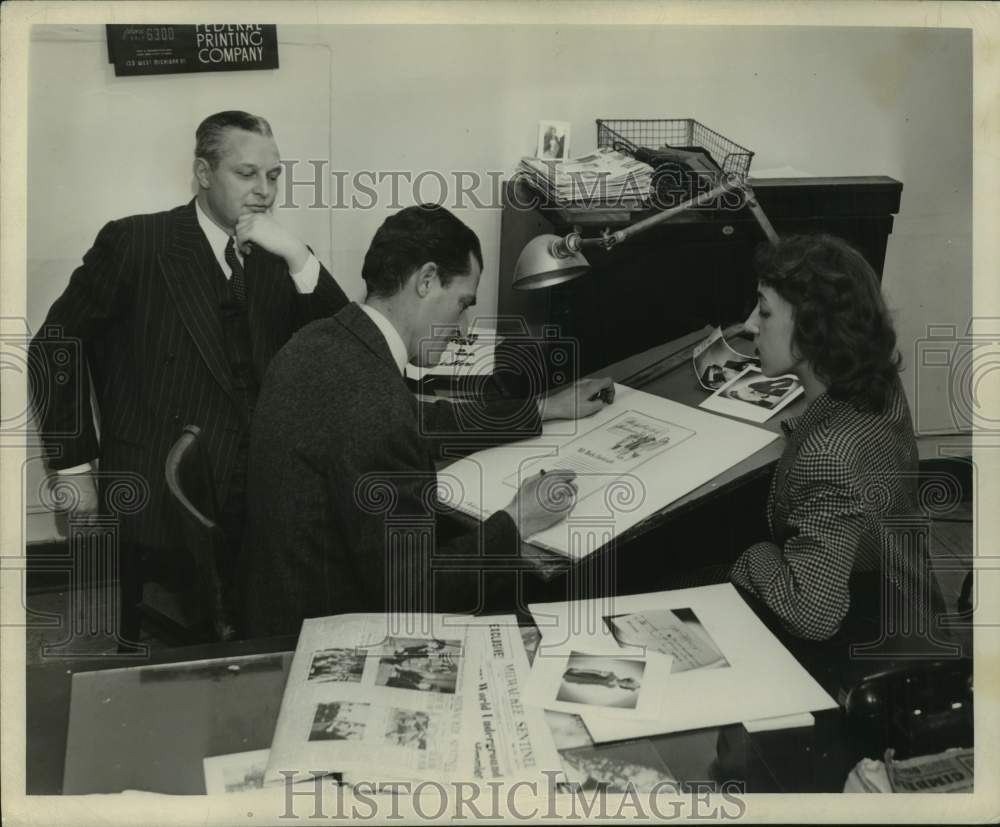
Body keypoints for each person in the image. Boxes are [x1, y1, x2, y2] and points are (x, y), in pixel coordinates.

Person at [29, 110, 349, 642]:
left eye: (274, 176)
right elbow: (53, 346)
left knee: (266, 637)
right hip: (162, 485)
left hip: (259, 492)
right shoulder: (136, 243)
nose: (264, 191)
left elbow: (343, 347)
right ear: (203, 173)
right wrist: (73, 469)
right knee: (179, 652)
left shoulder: (279, 255)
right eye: (246, 174)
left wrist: (298, 256)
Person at [241, 204, 614, 636]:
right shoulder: (376, 405)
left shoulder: (319, 341)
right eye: (462, 304)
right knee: (538, 608)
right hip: (326, 637)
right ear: (426, 280)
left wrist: (543, 408)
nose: (465, 327)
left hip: (280, 608)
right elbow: (417, 593)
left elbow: (421, 417)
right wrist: (519, 518)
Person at [729, 234, 934, 642]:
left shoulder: (829, 457)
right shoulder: (877, 379)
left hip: (867, 640)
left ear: (811, 329)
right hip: (903, 596)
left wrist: (753, 558)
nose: (750, 324)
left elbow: (813, 616)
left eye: (765, 312)